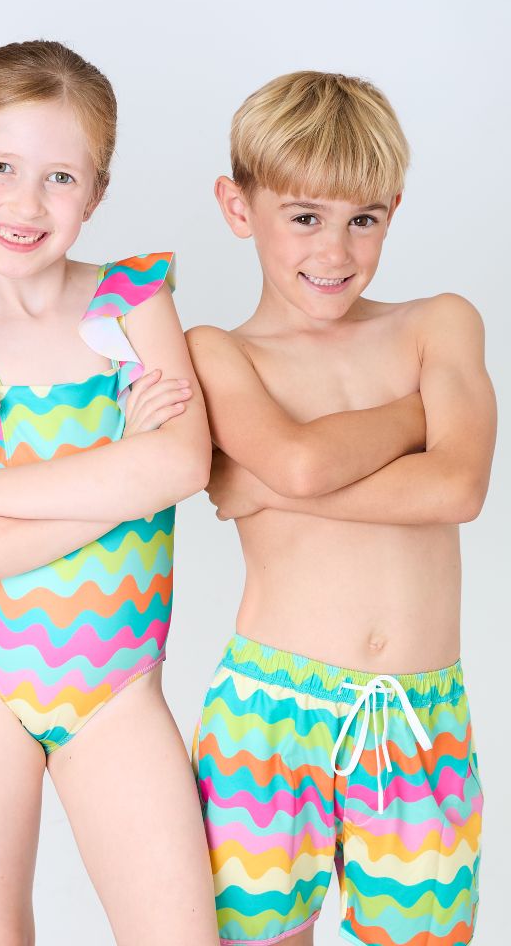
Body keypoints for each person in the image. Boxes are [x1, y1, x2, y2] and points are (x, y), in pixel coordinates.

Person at [0, 40, 220, 946]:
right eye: (0, 167)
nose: (26, 203)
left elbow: (184, 466)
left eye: (60, 178)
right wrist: (120, 474)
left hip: (114, 685)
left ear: (97, 192)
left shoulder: (131, 302)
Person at [189, 70, 495, 946]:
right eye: (305, 217)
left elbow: (456, 488)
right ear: (238, 206)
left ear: (393, 210)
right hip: (267, 712)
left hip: (418, 718)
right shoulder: (216, 351)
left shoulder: (441, 324)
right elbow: (293, 457)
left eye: (363, 219)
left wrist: (276, 484)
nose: (336, 251)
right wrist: (412, 420)